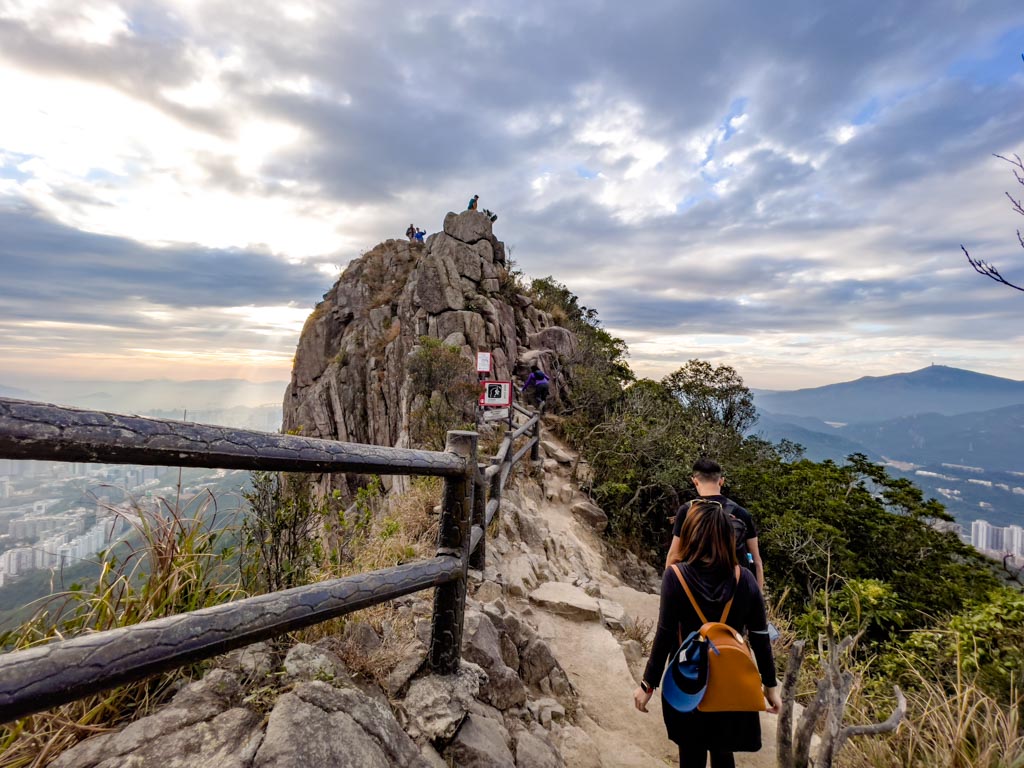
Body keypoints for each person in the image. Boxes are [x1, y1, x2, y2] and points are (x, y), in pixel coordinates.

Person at [633, 500, 781, 768]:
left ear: (691, 535)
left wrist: (648, 685)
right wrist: (770, 687)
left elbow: (664, 635)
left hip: (687, 682)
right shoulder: (745, 579)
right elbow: (760, 636)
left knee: (690, 755)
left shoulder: (675, 577)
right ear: (727, 537)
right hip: (732, 681)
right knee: (724, 753)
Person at [666, 459, 764, 591]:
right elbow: (756, 561)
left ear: (694, 481)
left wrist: (669, 591)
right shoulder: (741, 513)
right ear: (721, 481)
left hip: (696, 588)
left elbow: (673, 555)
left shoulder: (688, 511)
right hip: (734, 590)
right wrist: (757, 598)